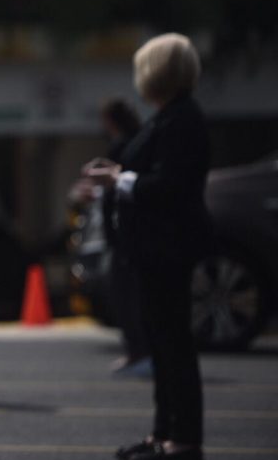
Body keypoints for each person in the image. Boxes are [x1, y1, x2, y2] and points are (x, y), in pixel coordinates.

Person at [84, 33, 209, 460]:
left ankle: (184, 437)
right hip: (153, 249)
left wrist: (119, 179)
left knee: (174, 345)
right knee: (161, 343)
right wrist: (119, 172)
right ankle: (163, 433)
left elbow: (169, 184)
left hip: (168, 248)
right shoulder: (166, 117)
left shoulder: (182, 120)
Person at [100, 98, 153, 378]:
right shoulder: (135, 141)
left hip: (124, 234)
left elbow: (121, 188)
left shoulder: (124, 146)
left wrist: (105, 181)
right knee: (131, 295)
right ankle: (138, 351)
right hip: (130, 233)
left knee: (125, 296)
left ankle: (138, 351)